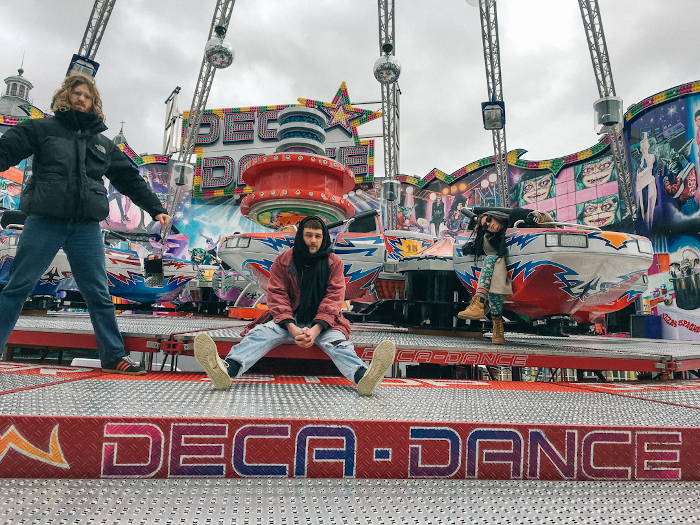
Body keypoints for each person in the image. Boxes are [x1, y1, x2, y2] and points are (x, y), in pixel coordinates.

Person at [0, 72, 170, 375]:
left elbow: (129, 178)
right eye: (77, 93)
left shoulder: (103, 144)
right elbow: (6, 150)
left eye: (87, 96)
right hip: (45, 221)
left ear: (94, 103)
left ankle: (113, 356)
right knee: (17, 287)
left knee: (98, 293)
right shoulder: (41, 129)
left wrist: (155, 209)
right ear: (65, 96)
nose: (82, 98)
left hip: (85, 227)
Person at [194, 215, 396, 395]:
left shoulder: (334, 263)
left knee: (337, 344)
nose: (313, 240)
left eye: (318, 236)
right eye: (308, 235)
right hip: (288, 320)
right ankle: (226, 370)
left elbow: (333, 299)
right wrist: (292, 327)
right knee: (259, 335)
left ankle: (363, 377)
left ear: (324, 238)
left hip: (325, 323)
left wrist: (315, 330)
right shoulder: (283, 261)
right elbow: (277, 297)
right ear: (300, 236)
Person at [457, 210, 512, 344]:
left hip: (511, 269)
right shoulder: (488, 237)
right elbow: (476, 249)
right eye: (485, 226)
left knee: (490, 260)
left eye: (489, 219)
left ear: (496, 215)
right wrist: (479, 233)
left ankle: (479, 302)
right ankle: (497, 328)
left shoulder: (513, 225)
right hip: (500, 272)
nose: (489, 225)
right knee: (493, 286)